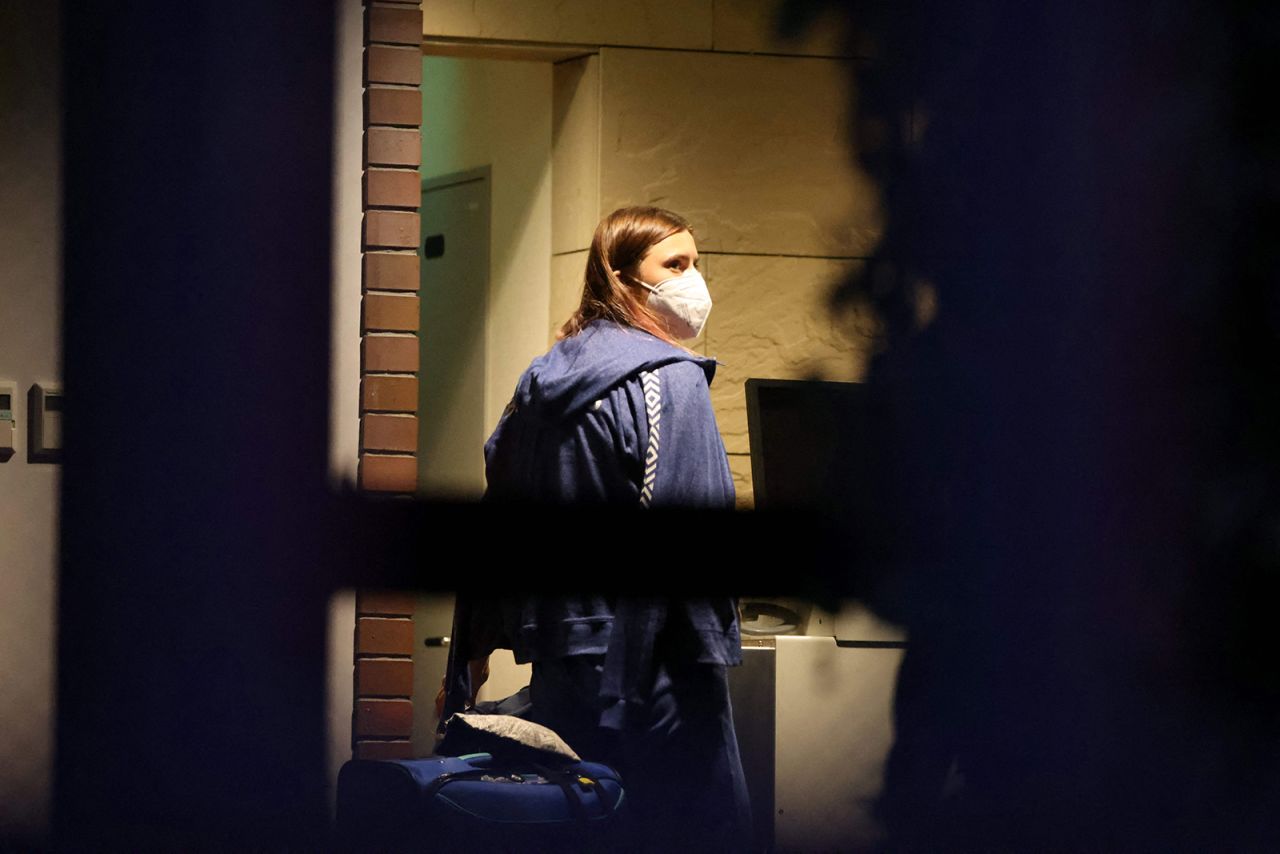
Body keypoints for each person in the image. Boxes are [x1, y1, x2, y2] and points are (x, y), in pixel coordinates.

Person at [447, 206, 752, 852]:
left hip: (563, 669)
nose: (693, 282)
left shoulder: (540, 383)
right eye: (675, 265)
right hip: (656, 675)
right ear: (620, 279)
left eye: (696, 264)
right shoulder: (671, 382)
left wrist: (468, 662)